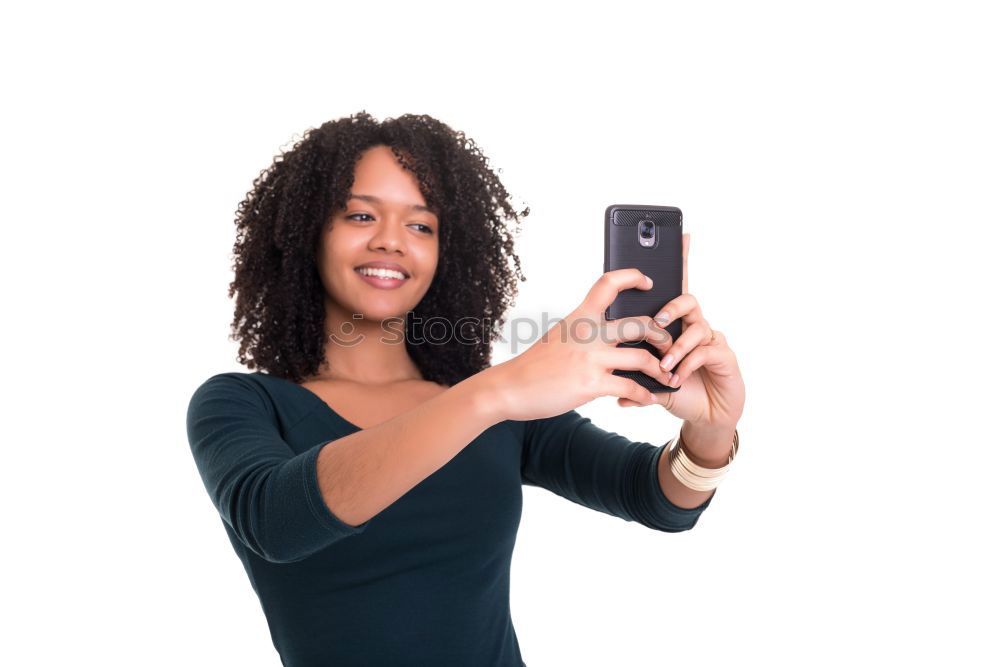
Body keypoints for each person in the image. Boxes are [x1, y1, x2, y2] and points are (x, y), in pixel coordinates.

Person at [186, 111, 746, 667]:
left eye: (421, 225)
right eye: (360, 215)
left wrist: (711, 428)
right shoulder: (241, 403)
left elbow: (655, 498)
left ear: (447, 254)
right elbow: (278, 521)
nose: (391, 242)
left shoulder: (496, 403)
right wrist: (496, 391)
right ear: (307, 232)